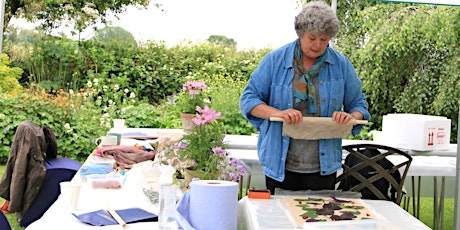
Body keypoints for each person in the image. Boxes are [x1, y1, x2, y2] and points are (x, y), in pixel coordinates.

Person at [239, 0, 370, 195]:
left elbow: (359, 104)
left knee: (318, 221)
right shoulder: (275, 60)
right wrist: (279, 113)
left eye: (324, 40)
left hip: (323, 165)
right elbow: (249, 99)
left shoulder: (341, 64)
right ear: (300, 34)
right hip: (280, 163)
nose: (318, 45)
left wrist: (351, 117)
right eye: (312, 38)